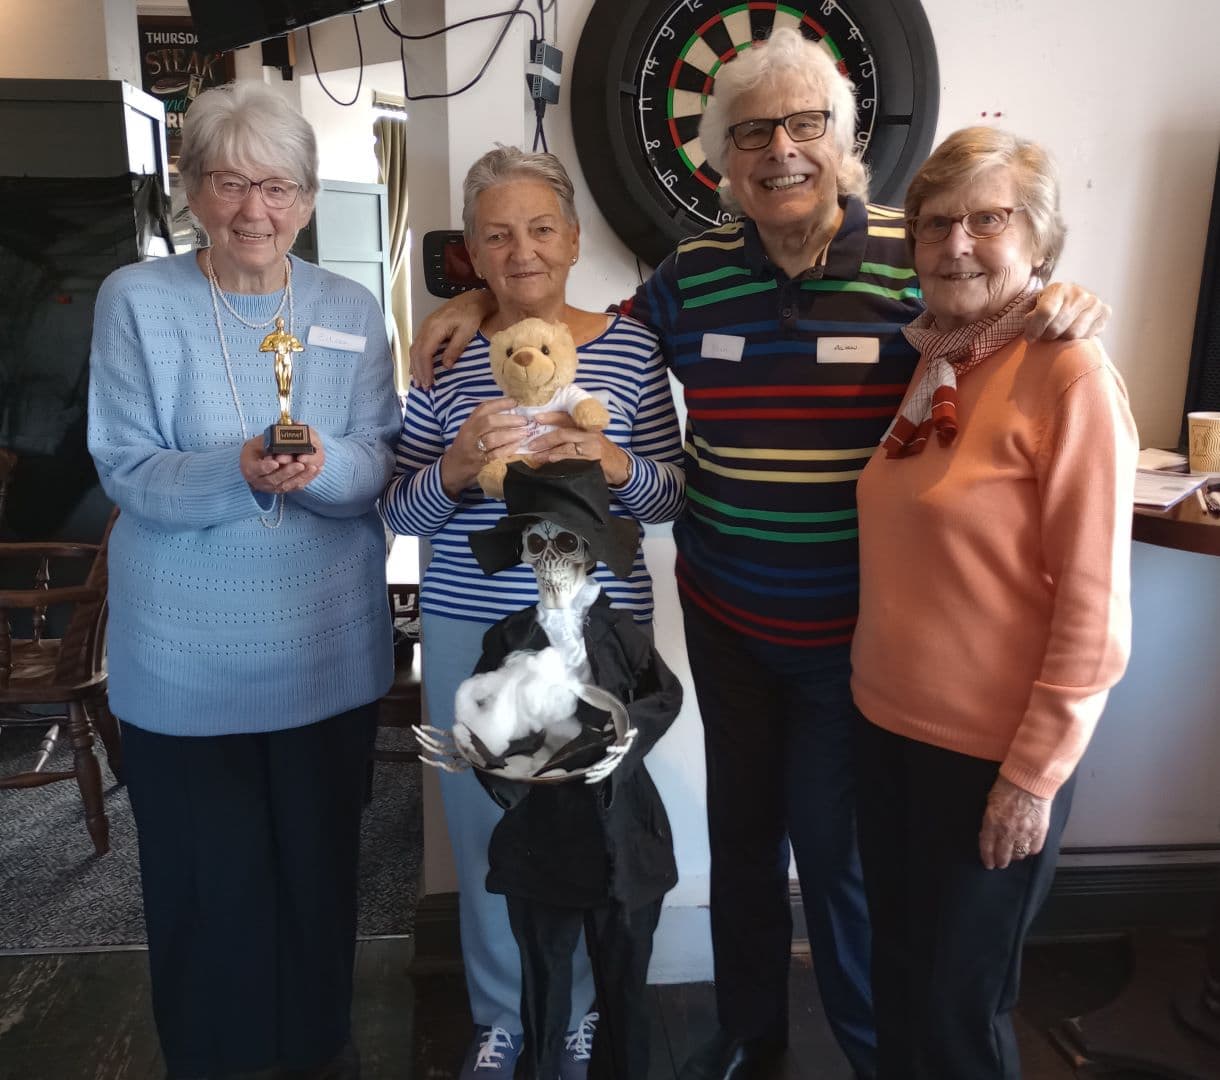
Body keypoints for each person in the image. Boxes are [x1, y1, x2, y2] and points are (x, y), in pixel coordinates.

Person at [408, 30, 1108, 1080]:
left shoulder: (910, 257)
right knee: (739, 849)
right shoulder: (689, 277)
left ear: (843, 141)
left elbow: (991, 309)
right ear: (722, 160)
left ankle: (868, 1050)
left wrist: (1059, 300)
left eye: (803, 125)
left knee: (835, 860)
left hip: (854, 635)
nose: (779, 149)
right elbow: (578, 329)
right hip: (731, 619)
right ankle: (747, 1036)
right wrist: (474, 301)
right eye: (750, 134)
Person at [87, 82, 399, 1080]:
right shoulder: (135, 299)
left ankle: (317, 1051)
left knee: (317, 881)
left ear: (307, 199)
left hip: (322, 653)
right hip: (182, 662)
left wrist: (323, 468)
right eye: (227, 184)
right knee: (202, 889)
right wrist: (236, 470)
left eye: (274, 187)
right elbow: (127, 470)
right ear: (190, 191)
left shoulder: (350, 307)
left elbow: (377, 462)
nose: (251, 211)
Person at [380, 146, 684, 1079]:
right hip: (477, 641)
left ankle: (581, 1012)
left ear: (575, 239)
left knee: (593, 829)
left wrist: (619, 467)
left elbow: (674, 496)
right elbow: (398, 512)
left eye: (541, 229)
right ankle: (505, 1016)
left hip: (595, 643)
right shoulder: (445, 354)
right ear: (470, 251)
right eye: (498, 235)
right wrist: (459, 467)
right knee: (491, 835)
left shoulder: (631, 349)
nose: (522, 252)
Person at [850, 126, 1136, 1080]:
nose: (957, 243)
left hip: (987, 758)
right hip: (885, 731)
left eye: (988, 219)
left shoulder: (1071, 373)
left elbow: (1094, 613)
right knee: (895, 979)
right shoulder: (938, 358)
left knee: (958, 1013)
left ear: (1038, 241)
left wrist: (1032, 779)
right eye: (935, 225)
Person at [419, 459, 684, 1079]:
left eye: (564, 540)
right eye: (535, 542)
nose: (548, 557)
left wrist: (629, 736)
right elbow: (498, 728)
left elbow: (662, 696)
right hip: (542, 843)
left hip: (622, 840)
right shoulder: (507, 638)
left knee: (624, 991)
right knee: (541, 984)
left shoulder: (621, 635)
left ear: (590, 548)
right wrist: (475, 752)